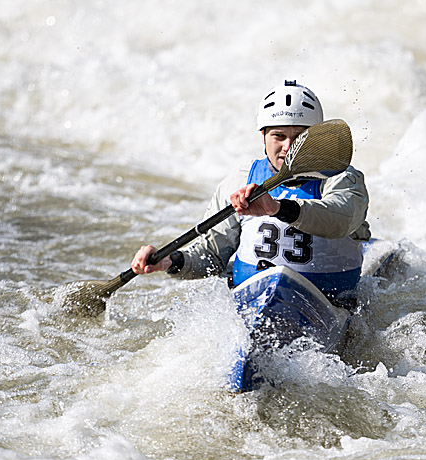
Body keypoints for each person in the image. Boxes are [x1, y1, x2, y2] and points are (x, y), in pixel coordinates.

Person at [130, 80, 371, 304]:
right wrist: (171, 261)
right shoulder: (239, 181)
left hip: (328, 303)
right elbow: (213, 255)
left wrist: (277, 209)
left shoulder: (342, 178)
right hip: (254, 303)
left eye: (298, 138)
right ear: (263, 136)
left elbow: (341, 218)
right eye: (278, 136)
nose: (288, 147)